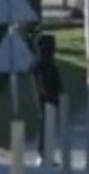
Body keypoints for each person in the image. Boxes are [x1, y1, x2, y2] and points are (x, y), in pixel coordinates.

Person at [32, 33, 62, 164]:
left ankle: (47, 155)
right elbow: (44, 82)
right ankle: (43, 155)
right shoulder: (43, 63)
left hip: (50, 100)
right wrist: (50, 97)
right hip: (47, 100)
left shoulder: (43, 62)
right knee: (45, 127)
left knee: (47, 127)